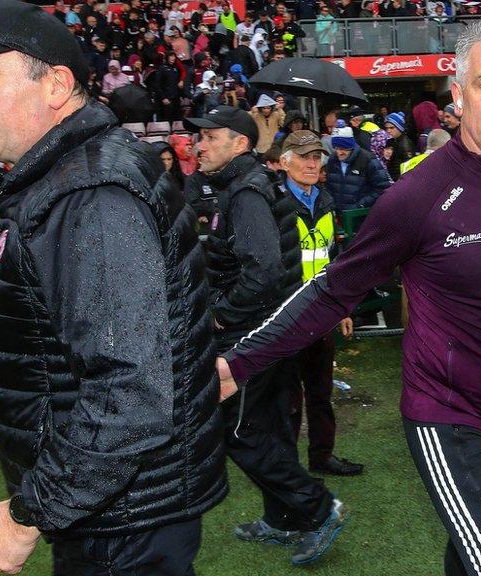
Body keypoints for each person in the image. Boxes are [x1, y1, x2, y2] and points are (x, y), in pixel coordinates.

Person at [218, 15, 481, 576]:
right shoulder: (417, 195)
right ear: (459, 94)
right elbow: (334, 291)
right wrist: (239, 363)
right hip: (446, 416)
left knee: (477, 545)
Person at [0, 1, 227, 573]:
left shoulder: (91, 194)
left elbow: (129, 395)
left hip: (120, 520)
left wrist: (29, 513)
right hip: (116, 509)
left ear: (54, 86)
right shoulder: (76, 177)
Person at [185, 105, 348, 567]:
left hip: (246, 335)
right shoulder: (242, 187)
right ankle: (283, 517)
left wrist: (220, 316)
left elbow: (263, 272)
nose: (200, 145)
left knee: (238, 432)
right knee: (270, 426)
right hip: (269, 332)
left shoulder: (246, 195)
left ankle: (318, 509)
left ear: (239, 143)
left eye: (210, 137)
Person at [276, 130, 362, 477]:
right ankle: (286, 466)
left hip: (320, 312)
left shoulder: (325, 199)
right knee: (288, 400)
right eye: (304, 157)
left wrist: (341, 307)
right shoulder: (274, 204)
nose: (312, 163)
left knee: (321, 392)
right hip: (285, 316)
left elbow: (334, 259)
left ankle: (321, 457)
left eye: (316, 157)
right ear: (285, 162)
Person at [325, 123, 392, 211]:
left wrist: (361, 205)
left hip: (361, 215)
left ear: (351, 146)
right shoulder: (333, 160)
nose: (339, 152)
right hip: (340, 216)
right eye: (336, 148)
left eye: (343, 149)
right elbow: (329, 187)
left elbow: (383, 187)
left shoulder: (367, 159)